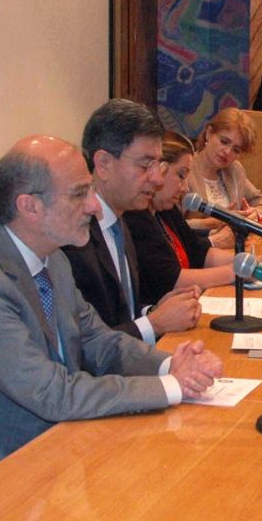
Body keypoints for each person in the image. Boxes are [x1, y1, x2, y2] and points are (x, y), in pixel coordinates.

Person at [0, 136, 223, 470]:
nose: (94, 205)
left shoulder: (53, 259)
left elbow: (97, 340)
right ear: (29, 207)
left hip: (57, 449)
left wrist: (170, 366)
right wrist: (170, 387)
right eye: (80, 193)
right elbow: (51, 393)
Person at [64, 99, 201, 342]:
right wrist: (154, 324)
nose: (157, 179)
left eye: (158, 165)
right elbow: (83, 345)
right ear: (104, 164)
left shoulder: (122, 220)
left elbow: (123, 314)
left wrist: (154, 311)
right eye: (145, 165)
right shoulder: (73, 239)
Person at [127, 131, 246, 302]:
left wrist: (250, 261)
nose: (184, 188)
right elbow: (172, 280)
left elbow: (199, 252)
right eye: (181, 176)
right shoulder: (136, 218)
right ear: (158, 170)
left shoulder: (166, 210)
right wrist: (238, 271)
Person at [185, 108, 262, 243]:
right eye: (224, 141)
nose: (227, 152)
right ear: (209, 133)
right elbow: (171, 228)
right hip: (198, 250)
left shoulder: (233, 170)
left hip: (234, 249)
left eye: (236, 149)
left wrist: (256, 213)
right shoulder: (185, 170)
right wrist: (213, 222)